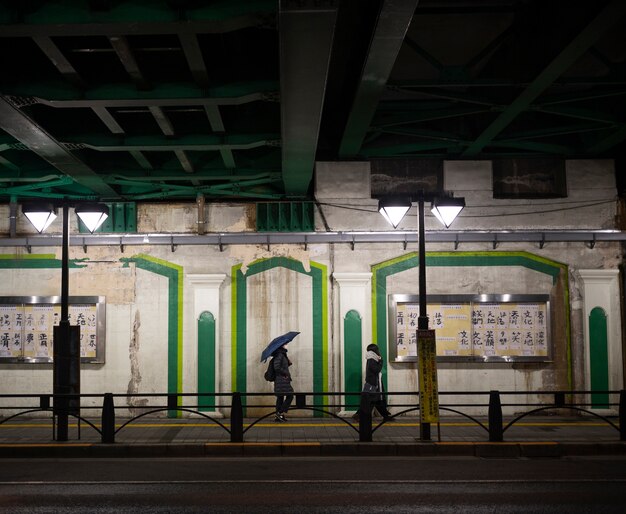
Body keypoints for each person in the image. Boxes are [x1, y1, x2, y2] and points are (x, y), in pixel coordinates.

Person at [352, 343, 393, 422]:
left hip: (373, 383)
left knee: (376, 401)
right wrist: (381, 362)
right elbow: (376, 370)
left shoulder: (372, 358)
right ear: (375, 350)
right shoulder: (372, 359)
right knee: (371, 401)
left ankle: (385, 416)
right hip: (373, 384)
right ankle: (360, 416)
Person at [272, 344, 294, 422]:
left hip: (282, 379)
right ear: (281, 346)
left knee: (280, 397)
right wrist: (285, 373)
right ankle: (280, 412)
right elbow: (277, 367)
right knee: (290, 395)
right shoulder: (279, 355)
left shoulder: (282, 355)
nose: (286, 345)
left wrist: (288, 363)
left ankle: (278, 416)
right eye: (285, 344)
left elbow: (281, 366)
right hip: (281, 379)